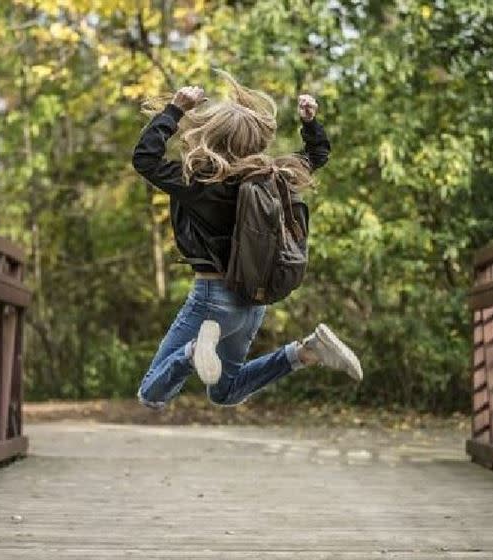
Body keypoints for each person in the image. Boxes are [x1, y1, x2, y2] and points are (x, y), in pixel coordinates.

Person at [132, 70, 362, 409]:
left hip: (212, 298)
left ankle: (194, 351)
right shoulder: (273, 177)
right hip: (252, 301)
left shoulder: (197, 182)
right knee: (225, 392)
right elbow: (317, 156)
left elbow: (145, 159)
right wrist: (310, 124)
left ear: (211, 135)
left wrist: (175, 109)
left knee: (151, 393)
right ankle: (306, 352)